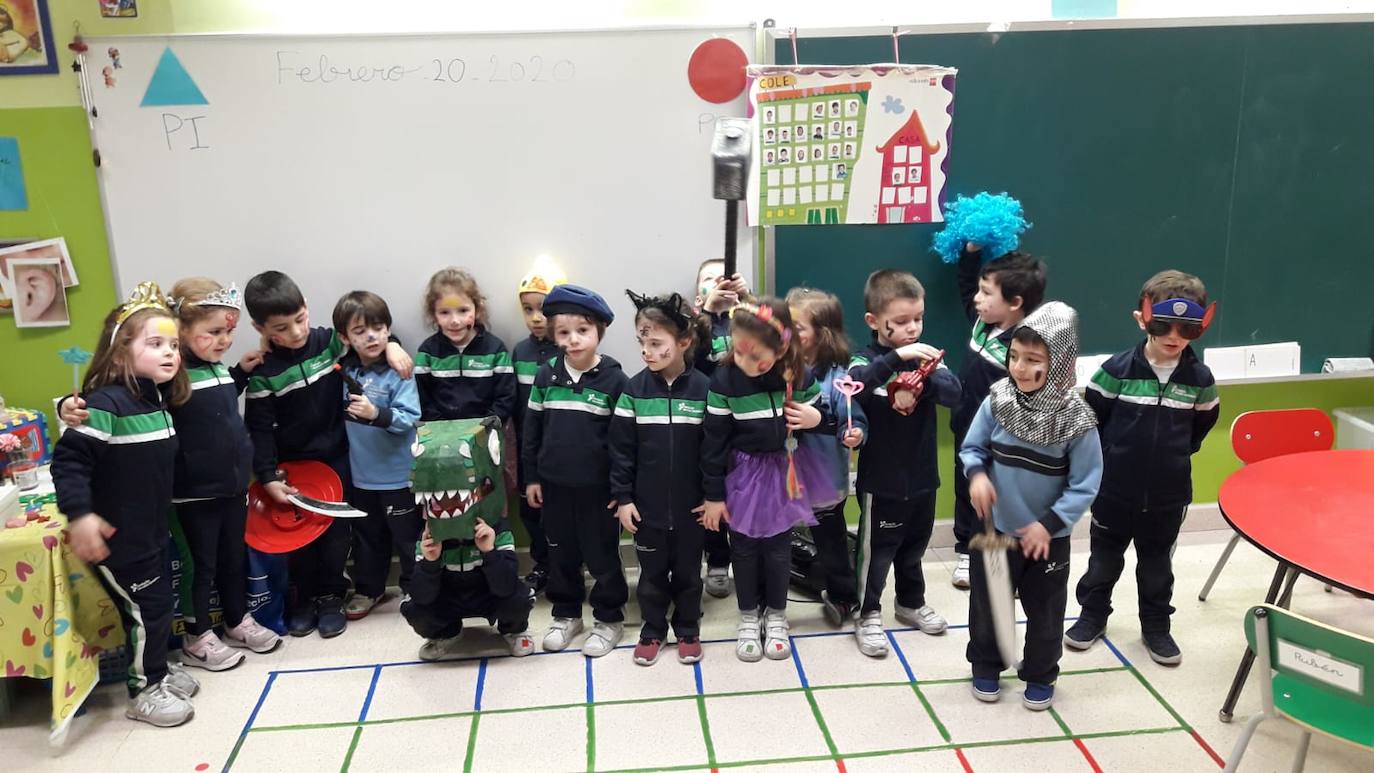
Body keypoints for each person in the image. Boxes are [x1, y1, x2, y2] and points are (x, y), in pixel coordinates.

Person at [59, 279, 284, 669]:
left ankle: (235, 620)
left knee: (234, 559)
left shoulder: (217, 369)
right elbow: (117, 396)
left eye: (229, 332)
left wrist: (241, 373)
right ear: (183, 329)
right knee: (201, 566)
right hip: (193, 494)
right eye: (213, 333)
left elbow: (218, 407)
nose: (224, 340)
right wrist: (67, 404)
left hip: (232, 487)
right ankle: (199, 635)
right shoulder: (168, 381)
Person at [51, 282, 201, 727]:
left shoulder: (155, 402)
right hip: (122, 537)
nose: (169, 352)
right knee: (148, 610)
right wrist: (81, 516)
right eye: (155, 344)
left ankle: (156, 668)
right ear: (120, 354)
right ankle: (144, 688)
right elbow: (70, 463)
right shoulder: (105, 405)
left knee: (159, 605)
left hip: (151, 530)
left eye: (173, 344)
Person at [243, 270, 411, 639]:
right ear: (262, 328)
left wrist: (394, 344)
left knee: (337, 533)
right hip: (295, 468)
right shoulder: (263, 372)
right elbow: (258, 427)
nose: (296, 333)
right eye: (282, 328)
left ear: (307, 308)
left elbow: (369, 337)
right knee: (301, 538)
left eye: (300, 320)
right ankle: (305, 598)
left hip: (338, 459)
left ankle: (332, 594)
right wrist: (268, 475)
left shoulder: (328, 343)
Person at [1067, 271, 1220, 665]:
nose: (1174, 336)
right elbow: (1091, 420)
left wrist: (1172, 457)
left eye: (1187, 329)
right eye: (1162, 325)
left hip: (1168, 496)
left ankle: (1156, 627)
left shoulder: (1200, 381)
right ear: (1142, 318)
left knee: (1157, 567)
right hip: (1113, 491)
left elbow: (1201, 426)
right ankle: (1093, 615)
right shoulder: (1116, 371)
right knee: (1103, 560)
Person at [959, 301, 1102, 711]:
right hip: (995, 529)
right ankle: (985, 665)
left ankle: (1040, 674)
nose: (1020, 367)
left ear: (1059, 364)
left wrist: (1050, 523)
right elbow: (972, 448)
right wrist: (978, 475)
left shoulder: (1077, 421)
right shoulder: (997, 401)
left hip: (1047, 538)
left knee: (1046, 613)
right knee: (988, 605)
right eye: (1015, 357)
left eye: (1034, 360)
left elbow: (1085, 483)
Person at [700, 299, 838, 662]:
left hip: (785, 471)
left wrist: (814, 418)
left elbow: (823, 417)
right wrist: (714, 496)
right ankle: (748, 615)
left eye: (755, 355)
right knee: (743, 548)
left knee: (778, 548)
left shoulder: (800, 376)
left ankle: (776, 615)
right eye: (738, 351)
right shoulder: (724, 380)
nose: (744, 363)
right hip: (743, 475)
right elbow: (713, 443)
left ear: (781, 348)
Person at [847, 271, 961, 657]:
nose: (912, 329)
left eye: (918, 319)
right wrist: (897, 358)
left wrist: (920, 380)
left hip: (924, 477)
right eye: (900, 322)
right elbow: (856, 387)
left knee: (914, 549)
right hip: (882, 481)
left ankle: (910, 602)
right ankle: (868, 613)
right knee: (878, 553)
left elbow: (954, 393)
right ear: (874, 321)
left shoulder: (928, 358)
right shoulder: (865, 360)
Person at [523, 284, 629, 657]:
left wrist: (622, 491)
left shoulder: (616, 381)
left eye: (582, 331)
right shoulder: (545, 376)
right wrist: (533, 477)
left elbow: (622, 444)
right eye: (563, 332)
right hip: (554, 488)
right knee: (560, 554)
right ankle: (567, 614)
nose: (573, 340)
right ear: (553, 335)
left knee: (601, 555)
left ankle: (609, 617)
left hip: (598, 491)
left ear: (599, 331)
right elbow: (532, 432)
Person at [609, 290, 712, 666]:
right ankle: (652, 630)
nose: (646, 351)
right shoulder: (633, 391)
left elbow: (714, 452)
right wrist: (623, 498)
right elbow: (620, 451)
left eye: (656, 343)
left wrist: (715, 496)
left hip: (693, 510)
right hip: (646, 510)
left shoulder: (705, 390)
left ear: (683, 342)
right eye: (642, 342)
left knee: (688, 575)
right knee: (651, 577)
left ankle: (688, 629)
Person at [950, 249, 1047, 589]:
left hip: (1004, 444)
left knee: (1004, 502)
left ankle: (1015, 565)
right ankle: (967, 551)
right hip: (966, 431)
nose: (977, 299)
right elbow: (966, 289)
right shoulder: (983, 323)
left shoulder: (1026, 348)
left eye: (986, 293)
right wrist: (969, 256)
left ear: (1016, 302)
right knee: (967, 491)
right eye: (980, 290)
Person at [334, 291, 424, 621]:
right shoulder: (343, 369)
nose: (371, 336)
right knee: (367, 538)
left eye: (378, 328)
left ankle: (417, 587)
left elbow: (410, 418)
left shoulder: (400, 370)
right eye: (360, 331)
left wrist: (376, 414)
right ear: (345, 338)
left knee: (408, 537)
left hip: (400, 475)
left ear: (388, 330)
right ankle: (369, 589)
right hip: (361, 476)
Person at [786, 288, 865, 627]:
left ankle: (843, 595)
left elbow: (854, 419)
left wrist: (848, 430)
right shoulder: (776, 368)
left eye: (797, 326)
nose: (787, 333)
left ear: (823, 333)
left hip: (821, 480)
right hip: (781, 480)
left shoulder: (838, 378)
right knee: (772, 542)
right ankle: (767, 602)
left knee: (831, 542)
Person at [690, 258, 750, 599]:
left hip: (745, 426)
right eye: (708, 279)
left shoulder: (746, 318)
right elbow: (686, 361)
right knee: (710, 494)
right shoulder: (694, 324)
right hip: (706, 427)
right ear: (698, 295)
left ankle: (746, 558)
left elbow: (777, 346)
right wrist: (705, 317)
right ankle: (716, 559)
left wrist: (749, 303)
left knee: (743, 494)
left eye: (723, 277)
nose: (717, 283)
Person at [510, 256, 566, 596]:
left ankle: (567, 568)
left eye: (543, 309)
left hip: (561, 451)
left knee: (562, 516)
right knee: (533, 513)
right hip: (529, 450)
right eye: (527, 309)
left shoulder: (570, 351)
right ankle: (543, 564)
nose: (535, 318)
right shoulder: (519, 352)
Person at [401, 519, 535, 661]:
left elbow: (507, 585)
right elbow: (420, 596)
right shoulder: (429, 534)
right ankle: (446, 634)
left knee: (519, 598)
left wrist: (489, 552)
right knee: (414, 609)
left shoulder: (497, 526)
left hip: (489, 594)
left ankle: (513, 630)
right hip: (448, 599)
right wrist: (430, 562)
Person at [414, 268, 516, 423]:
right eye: (444, 312)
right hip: (441, 434)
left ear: (477, 309)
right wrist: (443, 428)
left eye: (463, 310)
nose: (455, 320)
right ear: (433, 315)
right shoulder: (428, 353)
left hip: (486, 433)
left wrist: (485, 427)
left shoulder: (495, 351)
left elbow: (506, 397)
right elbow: (421, 397)